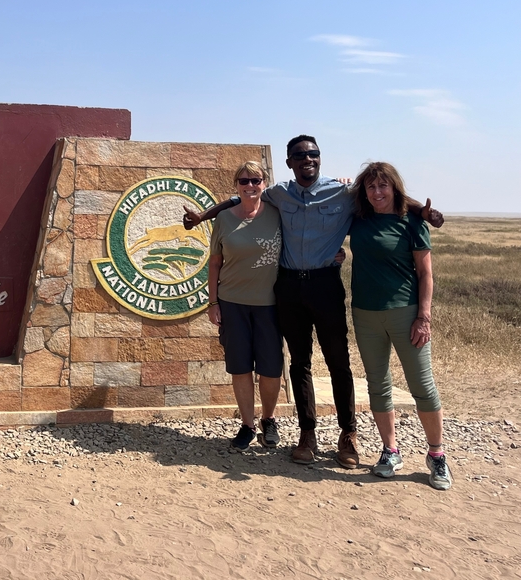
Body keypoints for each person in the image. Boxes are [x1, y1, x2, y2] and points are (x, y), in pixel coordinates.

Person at [185, 135, 444, 469]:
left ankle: (347, 433)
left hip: (325, 285)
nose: (308, 159)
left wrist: (422, 211)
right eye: (299, 156)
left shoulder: (343, 193)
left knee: (338, 361)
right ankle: (307, 433)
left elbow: (384, 194)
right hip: (289, 287)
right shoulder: (279, 193)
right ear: (290, 162)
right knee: (299, 363)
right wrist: (203, 217)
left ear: (320, 159)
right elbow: (239, 198)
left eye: (313, 154)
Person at [348, 162, 451, 490]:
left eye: (383, 186)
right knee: (377, 384)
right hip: (365, 314)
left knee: (422, 385)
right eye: (371, 187)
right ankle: (390, 450)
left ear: (394, 188)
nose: (377, 193)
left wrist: (424, 317)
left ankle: (436, 455)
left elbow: (425, 274)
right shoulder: (358, 220)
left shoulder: (411, 223)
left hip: (406, 314)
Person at [207, 161, 283, 450]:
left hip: (271, 305)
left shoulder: (277, 215)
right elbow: (215, 263)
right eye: (244, 181)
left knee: (271, 369)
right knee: (240, 368)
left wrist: (335, 252)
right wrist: (213, 302)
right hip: (232, 303)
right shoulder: (224, 219)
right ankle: (248, 425)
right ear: (236, 185)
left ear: (264, 183)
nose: (250, 186)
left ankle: (269, 420)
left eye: (256, 180)